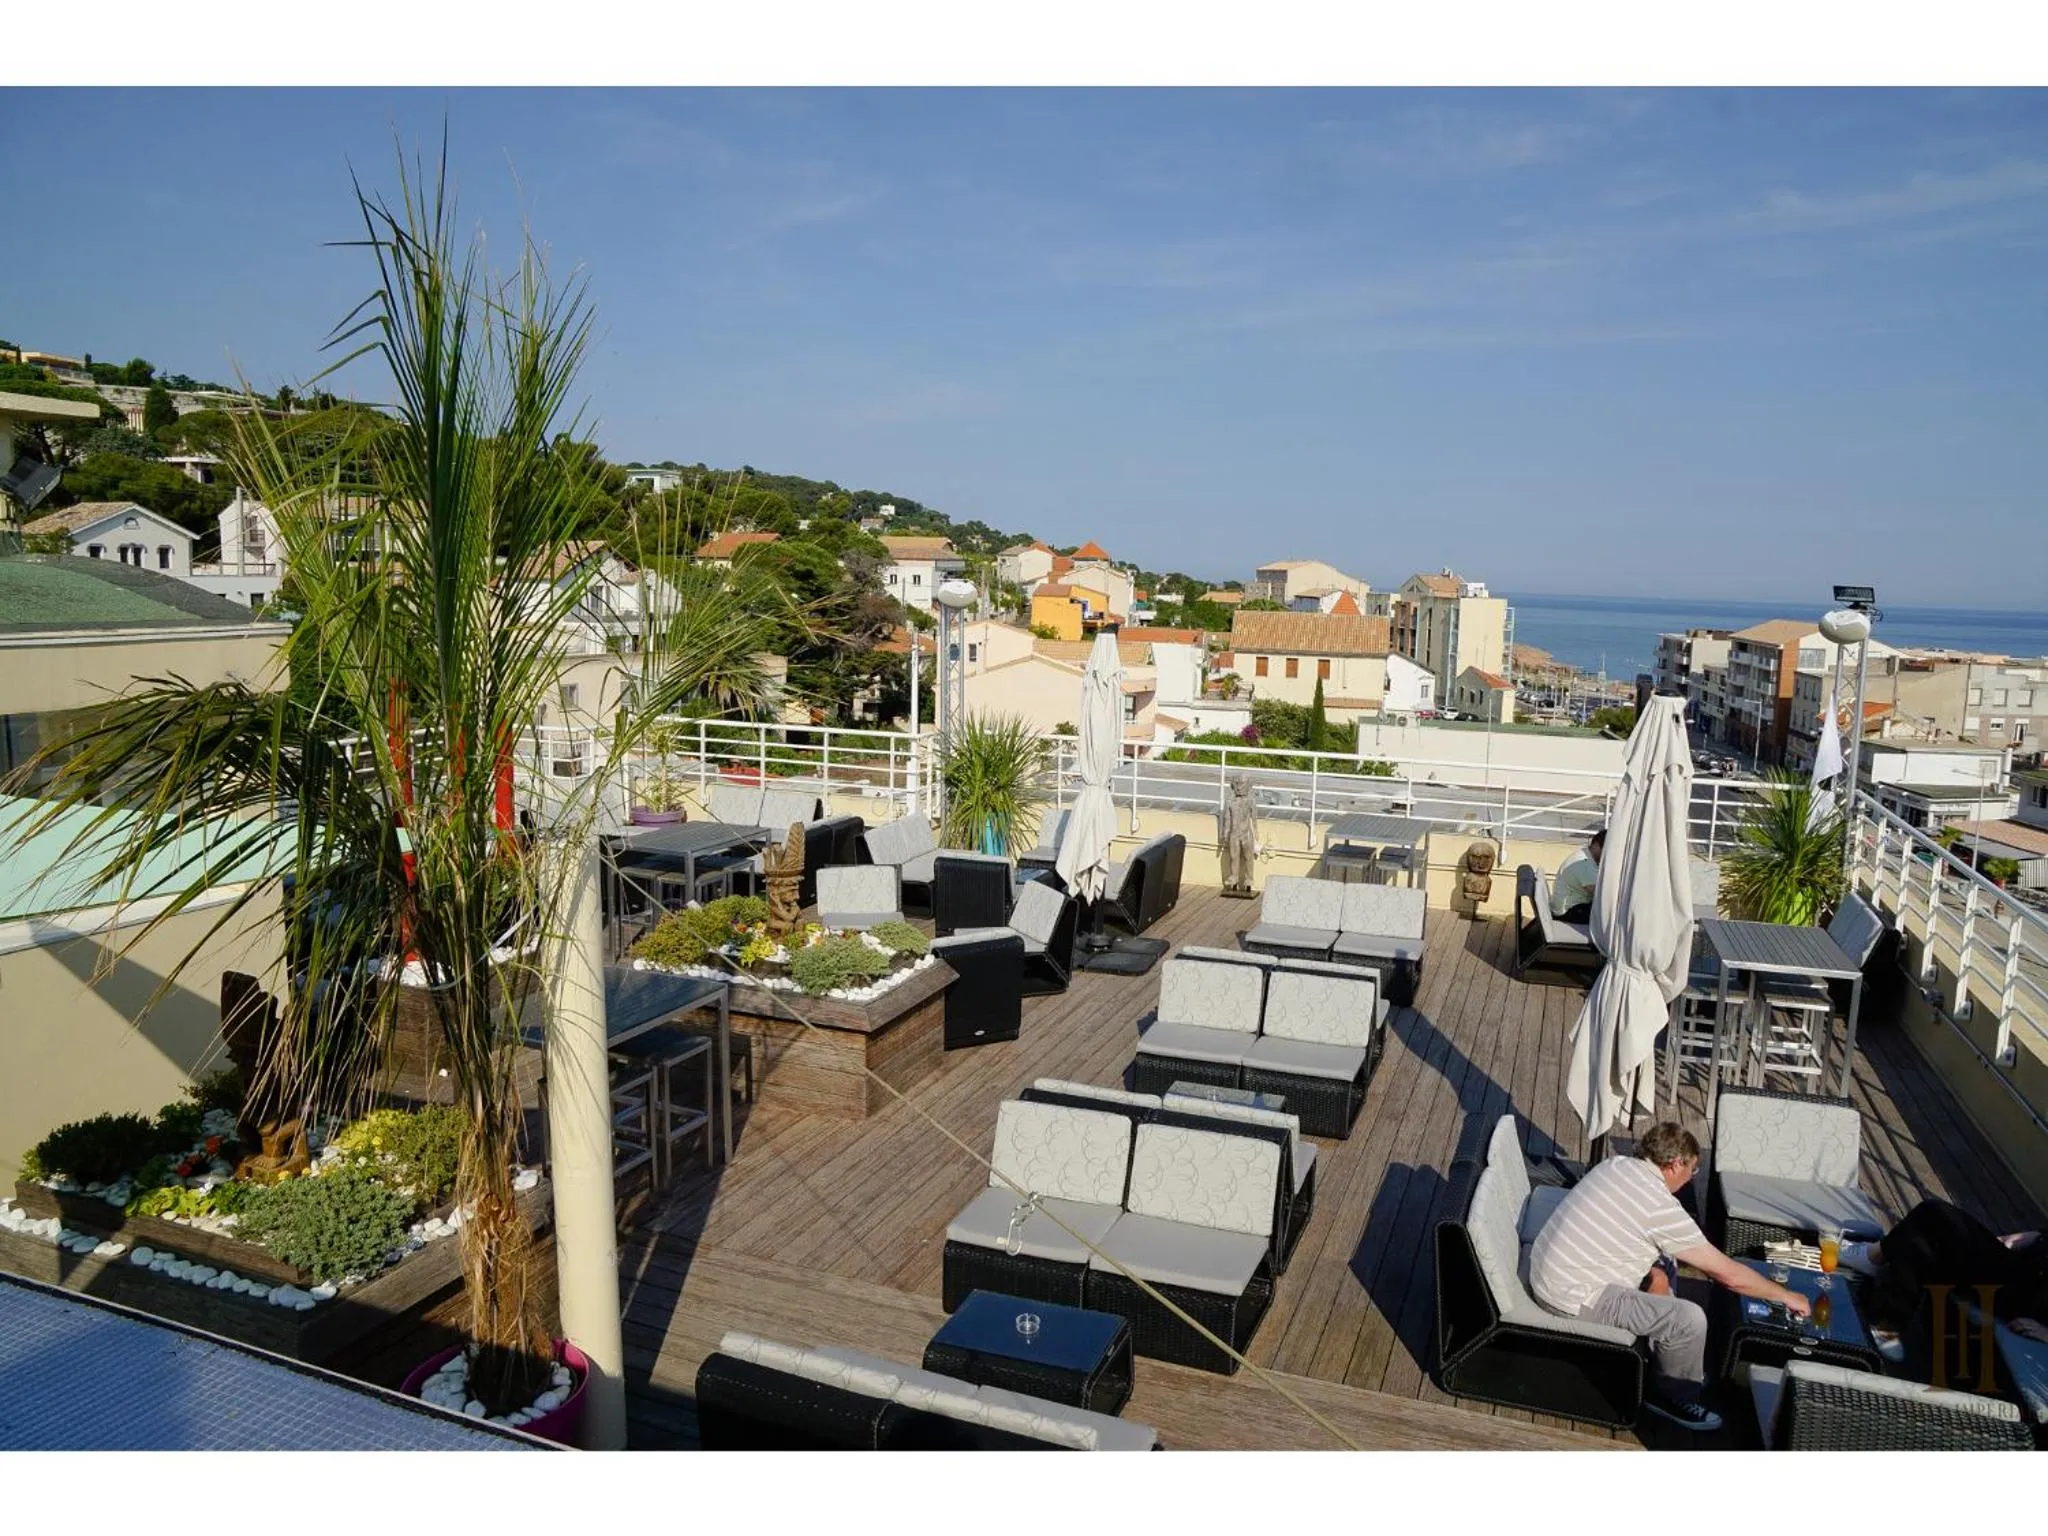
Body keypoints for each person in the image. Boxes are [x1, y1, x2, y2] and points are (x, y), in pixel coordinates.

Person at [1528, 1122, 1811, 1432]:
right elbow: (1728, 1275)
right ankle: (1669, 1395)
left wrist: (1659, 1277)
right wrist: (1786, 1295)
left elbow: (1626, 1228)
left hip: (1554, 1271)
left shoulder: (1616, 1165)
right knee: (1688, 1319)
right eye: (1693, 1170)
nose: (1691, 1179)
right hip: (1573, 1296)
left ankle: (1665, 1349)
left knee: (1666, 1261)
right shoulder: (1659, 1206)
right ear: (1676, 1164)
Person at [1840, 1200, 2047, 1340]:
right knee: (1930, 1232)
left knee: (1933, 1216)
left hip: (2024, 1297)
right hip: (2018, 1266)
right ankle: (1890, 1320)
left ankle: (1872, 1259)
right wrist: (2023, 1239)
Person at [1550, 828, 1604, 924]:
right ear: (1596, 845)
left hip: (1570, 906)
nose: (1606, 855)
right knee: (1607, 919)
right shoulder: (1584, 863)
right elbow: (1599, 895)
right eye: (1605, 850)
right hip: (1567, 912)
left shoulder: (1585, 855)